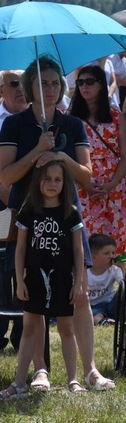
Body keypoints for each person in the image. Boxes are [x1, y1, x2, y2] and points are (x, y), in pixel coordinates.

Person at [0, 57, 114, 391]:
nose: (49, 89)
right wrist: (36, 149)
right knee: (34, 297)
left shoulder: (73, 125)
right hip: (27, 218)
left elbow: (88, 177)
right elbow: (5, 175)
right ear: (28, 87)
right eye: (42, 82)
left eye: (54, 83)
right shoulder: (14, 125)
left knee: (77, 295)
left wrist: (61, 156)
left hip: (66, 218)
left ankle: (90, 370)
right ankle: (39, 371)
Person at [1, 160, 85, 399]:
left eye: (57, 179)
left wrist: (78, 281)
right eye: (47, 179)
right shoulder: (29, 211)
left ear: (65, 182)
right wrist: (20, 279)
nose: (52, 184)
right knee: (29, 328)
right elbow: (20, 249)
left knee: (66, 328)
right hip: (34, 279)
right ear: (38, 181)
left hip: (61, 279)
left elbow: (79, 251)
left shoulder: (71, 212)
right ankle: (19, 383)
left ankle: (73, 380)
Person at [68, 64, 126, 260]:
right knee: (85, 238)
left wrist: (111, 185)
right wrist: (85, 183)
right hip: (82, 185)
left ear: (101, 85)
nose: (84, 86)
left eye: (89, 82)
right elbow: (67, 157)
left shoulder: (116, 116)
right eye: (80, 82)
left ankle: (121, 285)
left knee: (116, 240)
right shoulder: (70, 118)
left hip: (113, 186)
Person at [0, 70, 27, 352]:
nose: (21, 89)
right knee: (1, 267)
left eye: (25, 83)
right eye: (14, 84)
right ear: (1, 91)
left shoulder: (37, 120)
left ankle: (23, 334)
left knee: (25, 266)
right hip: (2, 205)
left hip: (30, 205)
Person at [87, 234, 123, 325]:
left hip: (111, 304)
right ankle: (103, 321)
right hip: (93, 306)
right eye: (106, 253)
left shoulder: (114, 269)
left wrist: (123, 266)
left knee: (123, 291)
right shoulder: (85, 272)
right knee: (96, 314)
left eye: (113, 253)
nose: (111, 256)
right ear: (94, 257)